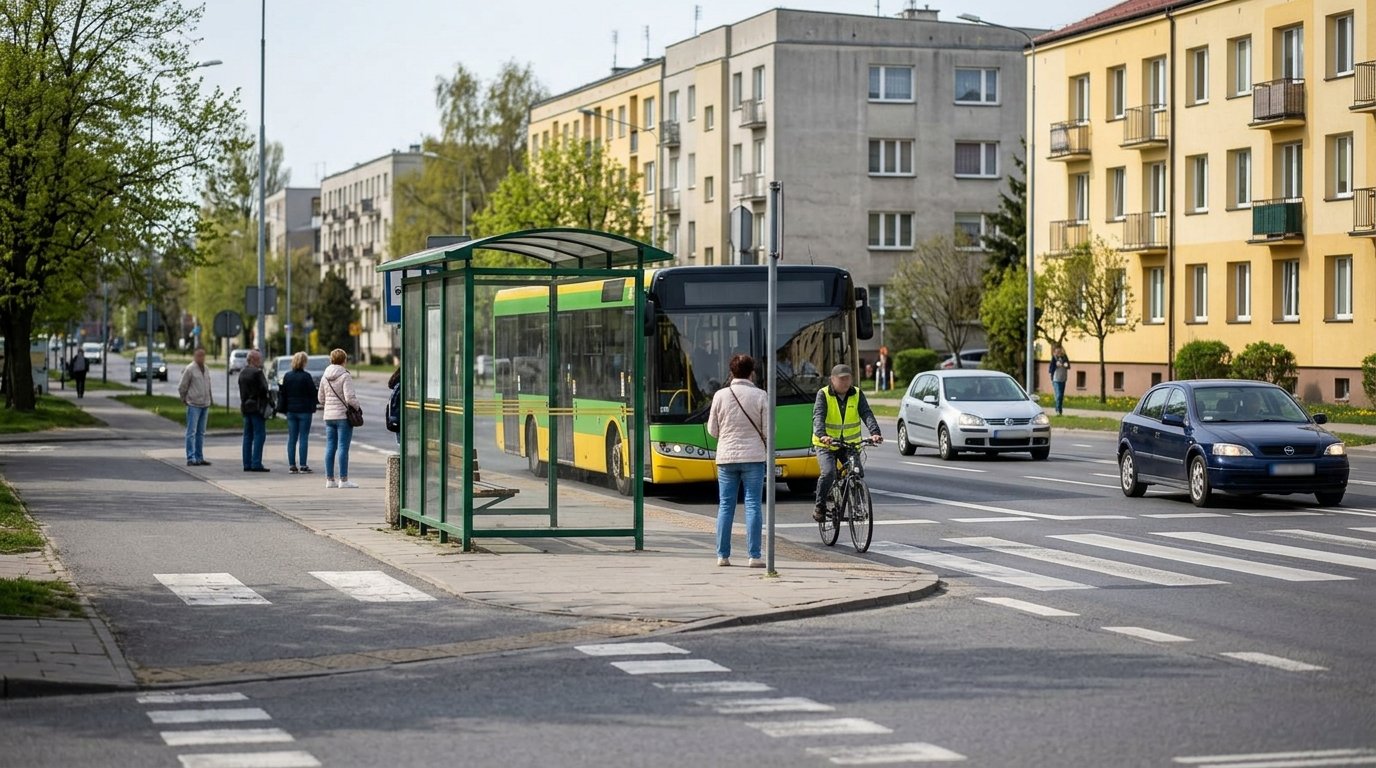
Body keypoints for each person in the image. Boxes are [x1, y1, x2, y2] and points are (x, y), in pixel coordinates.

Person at [706, 354, 768, 568]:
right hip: (753, 458)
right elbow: (770, 430)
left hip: (726, 458)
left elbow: (712, 430)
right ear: (752, 373)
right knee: (753, 506)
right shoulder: (761, 396)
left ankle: (722, 556)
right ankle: (754, 556)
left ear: (731, 372)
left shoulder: (720, 396)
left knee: (725, 506)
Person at [812, 364, 882, 522]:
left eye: (847, 379)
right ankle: (820, 506)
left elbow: (866, 413)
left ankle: (855, 504)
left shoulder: (857, 394)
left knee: (857, 472)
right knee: (829, 473)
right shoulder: (823, 394)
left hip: (850, 444)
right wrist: (822, 435)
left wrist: (875, 432)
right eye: (841, 379)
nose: (844, 382)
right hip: (827, 445)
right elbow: (818, 417)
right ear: (832, 380)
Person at [319, 348, 361, 489]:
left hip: (329, 416)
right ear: (344, 360)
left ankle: (330, 480)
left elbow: (320, 398)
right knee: (343, 447)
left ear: (331, 360)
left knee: (330, 447)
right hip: (343, 416)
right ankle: (343, 480)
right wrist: (358, 406)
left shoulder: (325, 376)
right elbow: (350, 398)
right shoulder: (345, 375)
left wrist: (329, 406)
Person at [279, 351, 317, 474]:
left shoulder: (287, 376)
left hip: (291, 411)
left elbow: (283, 394)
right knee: (304, 437)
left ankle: (292, 465)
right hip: (305, 411)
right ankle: (303, 465)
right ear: (304, 363)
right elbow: (313, 393)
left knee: (292, 438)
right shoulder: (306, 377)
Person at [178, 347, 214, 466]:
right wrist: (184, 399)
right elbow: (182, 387)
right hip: (193, 404)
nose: (201, 358)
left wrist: (210, 399)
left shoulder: (206, 369)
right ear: (194, 356)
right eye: (199, 355)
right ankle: (190, 457)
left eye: (203, 355)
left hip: (205, 404)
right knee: (191, 432)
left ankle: (199, 457)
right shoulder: (190, 369)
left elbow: (208, 386)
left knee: (201, 432)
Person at [238, 350, 270, 472]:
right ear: (253, 359)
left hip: (245, 407)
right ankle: (256, 463)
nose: (260, 361)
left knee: (247, 436)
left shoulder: (242, 373)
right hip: (257, 407)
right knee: (259, 435)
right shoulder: (257, 373)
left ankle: (247, 463)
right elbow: (264, 388)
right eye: (258, 359)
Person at [1049, 345, 1071, 416]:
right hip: (1056, 379)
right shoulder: (1054, 358)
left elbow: (1069, 366)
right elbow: (1050, 370)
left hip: (1063, 378)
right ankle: (1058, 411)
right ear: (1055, 351)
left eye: (1060, 350)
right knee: (1058, 395)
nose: (1058, 352)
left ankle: (1059, 409)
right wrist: (1056, 365)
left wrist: (1066, 365)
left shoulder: (1065, 357)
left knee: (1061, 396)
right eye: (1057, 351)